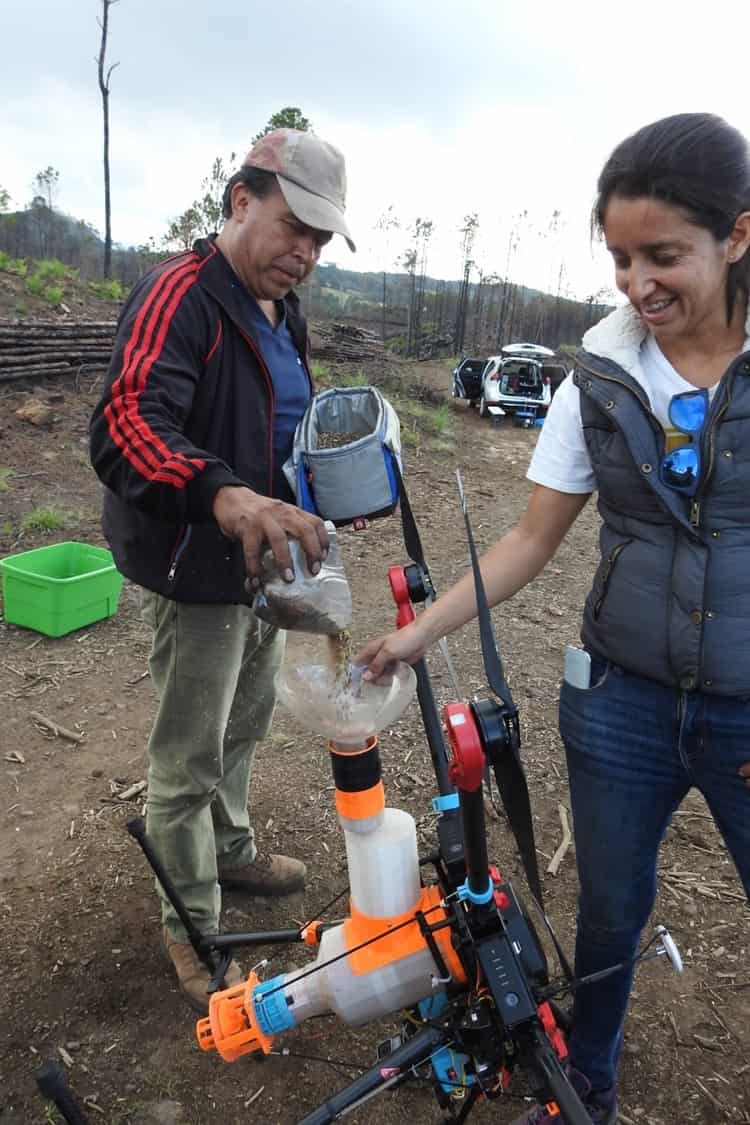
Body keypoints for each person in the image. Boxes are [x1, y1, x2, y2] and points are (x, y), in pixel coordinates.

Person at [358, 112, 750, 1124]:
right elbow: (529, 542)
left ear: (737, 236)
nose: (637, 283)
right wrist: (417, 634)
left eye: (664, 255)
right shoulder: (599, 380)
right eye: (621, 258)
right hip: (621, 706)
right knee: (611, 913)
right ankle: (591, 1080)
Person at [89, 128, 356, 1013]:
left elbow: (280, 417)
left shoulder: (284, 308)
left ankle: (230, 848)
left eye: (320, 241)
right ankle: (193, 925)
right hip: (196, 563)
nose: (305, 254)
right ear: (242, 200)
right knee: (188, 754)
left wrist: (307, 489)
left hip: (263, 562)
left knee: (245, 721)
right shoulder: (184, 295)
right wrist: (227, 495)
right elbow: (126, 422)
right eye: (293, 229)